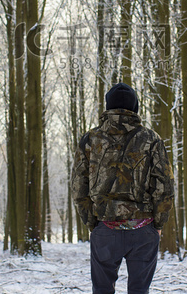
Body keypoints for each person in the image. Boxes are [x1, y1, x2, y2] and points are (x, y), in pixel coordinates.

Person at [71, 82, 175, 294]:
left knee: (102, 290)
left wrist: (92, 223)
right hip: (144, 229)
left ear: (108, 107)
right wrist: (159, 223)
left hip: (105, 228)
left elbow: (78, 187)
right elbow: (164, 185)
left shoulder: (90, 139)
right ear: (135, 107)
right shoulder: (151, 139)